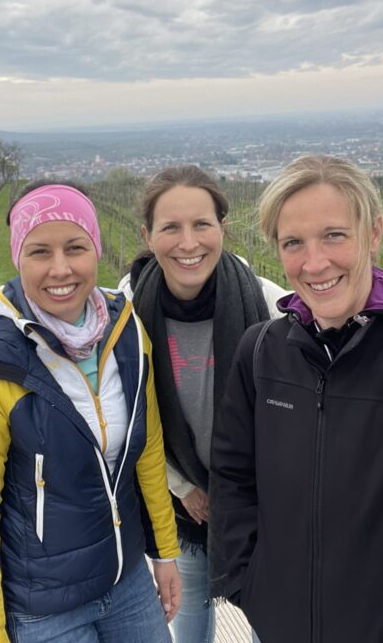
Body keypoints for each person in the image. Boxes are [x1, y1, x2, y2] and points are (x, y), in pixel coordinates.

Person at [210, 154, 383, 643]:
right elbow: (233, 476)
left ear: (374, 233)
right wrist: (247, 584)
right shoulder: (260, 352)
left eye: (334, 235)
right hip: (279, 628)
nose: (315, 263)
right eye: (293, 243)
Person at [0, 181, 182, 642]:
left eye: (75, 248)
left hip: (126, 583)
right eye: (39, 252)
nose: (60, 268)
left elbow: (147, 449)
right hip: (43, 610)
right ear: (17, 258)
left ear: (96, 250)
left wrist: (165, 552)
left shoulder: (127, 331)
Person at [121, 166, 284, 643]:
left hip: (261, 499)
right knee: (189, 617)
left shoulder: (264, 300)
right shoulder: (124, 312)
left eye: (201, 224)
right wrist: (182, 486)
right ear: (148, 236)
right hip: (183, 507)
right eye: (171, 227)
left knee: (271, 616)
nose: (188, 242)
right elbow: (126, 414)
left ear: (222, 228)